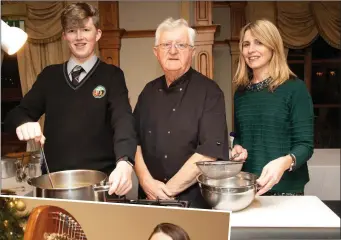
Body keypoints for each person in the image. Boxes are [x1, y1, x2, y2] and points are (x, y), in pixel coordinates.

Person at [3, 2, 137, 196]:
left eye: (85, 29)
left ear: (97, 34)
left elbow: (123, 120)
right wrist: (23, 123)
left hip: (102, 186)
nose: (79, 37)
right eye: (72, 30)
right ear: (64, 35)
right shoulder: (49, 76)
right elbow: (16, 115)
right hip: (54, 185)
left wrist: (125, 162)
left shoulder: (112, 76)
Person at [133, 17, 229, 208]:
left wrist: (167, 192)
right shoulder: (147, 92)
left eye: (181, 45)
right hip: (148, 199)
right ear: (156, 52)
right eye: (166, 44)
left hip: (192, 202)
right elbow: (133, 142)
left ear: (192, 51)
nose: (173, 50)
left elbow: (209, 152)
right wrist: (146, 182)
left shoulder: (210, 92)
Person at [231, 19, 314, 196]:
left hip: (287, 190)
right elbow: (240, 135)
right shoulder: (240, 93)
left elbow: (305, 145)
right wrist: (237, 147)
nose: (251, 50)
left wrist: (284, 162)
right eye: (246, 44)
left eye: (258, 42)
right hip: (249, 187)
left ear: (273, 46)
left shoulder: (294, 88)